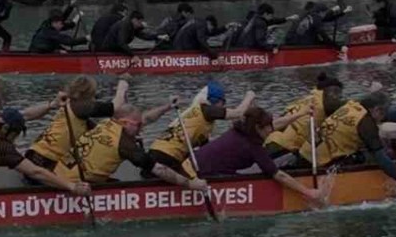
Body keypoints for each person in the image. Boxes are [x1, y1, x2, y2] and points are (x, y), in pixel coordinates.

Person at [186, 107, 330, 205]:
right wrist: (308, 192)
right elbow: (279, 175)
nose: (271, 130)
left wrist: (301, 114)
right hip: (199, 175)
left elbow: (275, 124)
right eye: (267, 127)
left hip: (189, 162)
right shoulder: (252, 147)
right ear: (257, 128)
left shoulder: (241, 130)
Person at [53, 104, 209, 193]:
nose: (141, 129)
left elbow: (146, 118)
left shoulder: (105, 124)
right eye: (138, 126)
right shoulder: (125, 144)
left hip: (57, 174)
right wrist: (190, 184)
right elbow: (159, 170)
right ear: (125, 123)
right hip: (75, 185)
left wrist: (168, 107)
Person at [295, 91, 396, 194]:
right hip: (322, 163)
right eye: (383, 113)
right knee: (370, 154)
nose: (383, 118)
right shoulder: (367, 123)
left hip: (305, 154)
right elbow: (381, 159)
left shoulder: (352, 105)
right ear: (376, 110)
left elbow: (391, 115)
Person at [25, 76, 127, 172]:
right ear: (89, 94)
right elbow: (115, 107)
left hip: (32, 155)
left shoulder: (69, 103)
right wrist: (122, 88)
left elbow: (97, 130)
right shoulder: (82, 107)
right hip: (45, 163)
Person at [148, 81, 255, 171]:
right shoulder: (207, 110)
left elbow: (206, 150)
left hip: (156, 152)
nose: (223, 107)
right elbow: (238, 113)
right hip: (167, 156)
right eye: (223, 103)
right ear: (216, 101)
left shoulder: (196, 116)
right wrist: (249, 96)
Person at [265, 73, 345, 158]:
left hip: (271, 139)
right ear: (332, 91)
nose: (339, 97)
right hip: (285, 147)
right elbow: (341, 109)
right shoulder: (324, 103)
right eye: (338, 94)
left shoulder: (308, 98)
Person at [283, 2, 352, 47]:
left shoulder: (306, 16)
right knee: (322, 41)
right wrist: (337, 47)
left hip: (290, 41)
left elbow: (327, 18)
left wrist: (343, 12)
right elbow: (323, 34)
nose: (324, 15)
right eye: (324, 13)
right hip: (301, 44)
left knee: (317, 39)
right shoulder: (316, 19)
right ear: (321, 12)